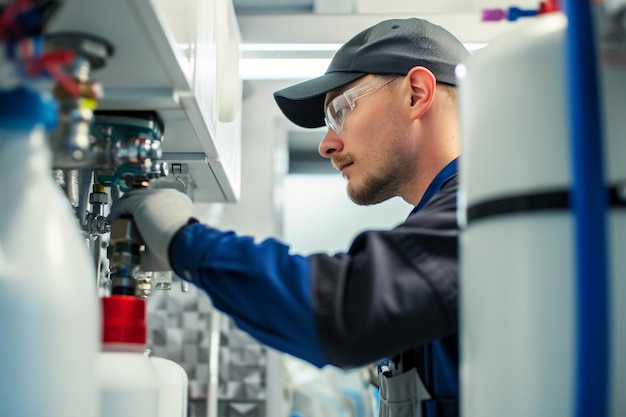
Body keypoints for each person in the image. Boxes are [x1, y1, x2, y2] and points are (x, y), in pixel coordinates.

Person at [109, 17, 470, 417]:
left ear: (416, 94)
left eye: (338, 111)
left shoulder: (479, 209)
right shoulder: (442, 215)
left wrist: (184, 240)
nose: (327, 144)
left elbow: (344, 312)